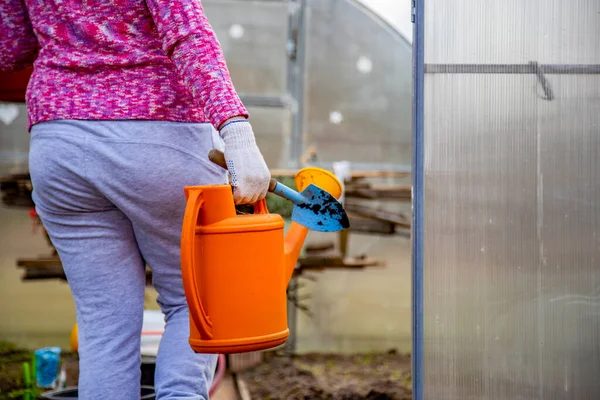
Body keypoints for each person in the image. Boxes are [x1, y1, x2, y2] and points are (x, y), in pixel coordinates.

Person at [1, 1, 271, 399]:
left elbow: (11, 47)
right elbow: (187, 32)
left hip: (62, 147)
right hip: (160, 138)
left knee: (104, 322)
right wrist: (235, 129)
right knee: (193, 302)